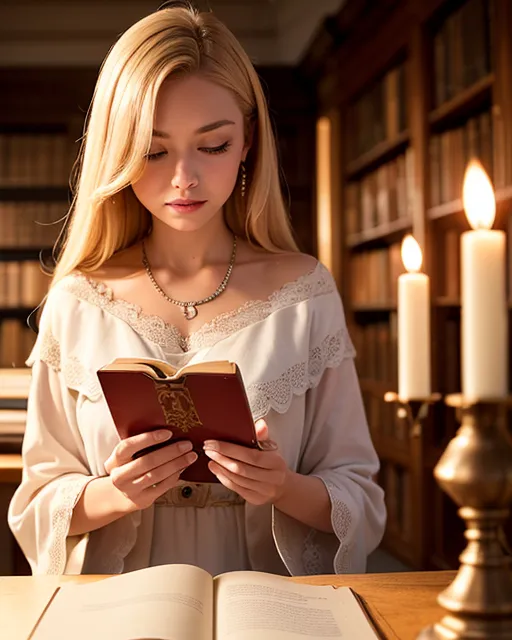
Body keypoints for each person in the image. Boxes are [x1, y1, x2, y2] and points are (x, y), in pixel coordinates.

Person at [8, 2, 386, 577]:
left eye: (212, 146)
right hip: (120, 606)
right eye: (154, 151)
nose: (183, 178)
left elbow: (361, 499)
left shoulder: (306, 291)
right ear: (119, 151)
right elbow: (34, 504)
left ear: (248, 143)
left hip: (266, 604)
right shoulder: (77, 300)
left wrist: (281, 486)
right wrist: (115, 492)